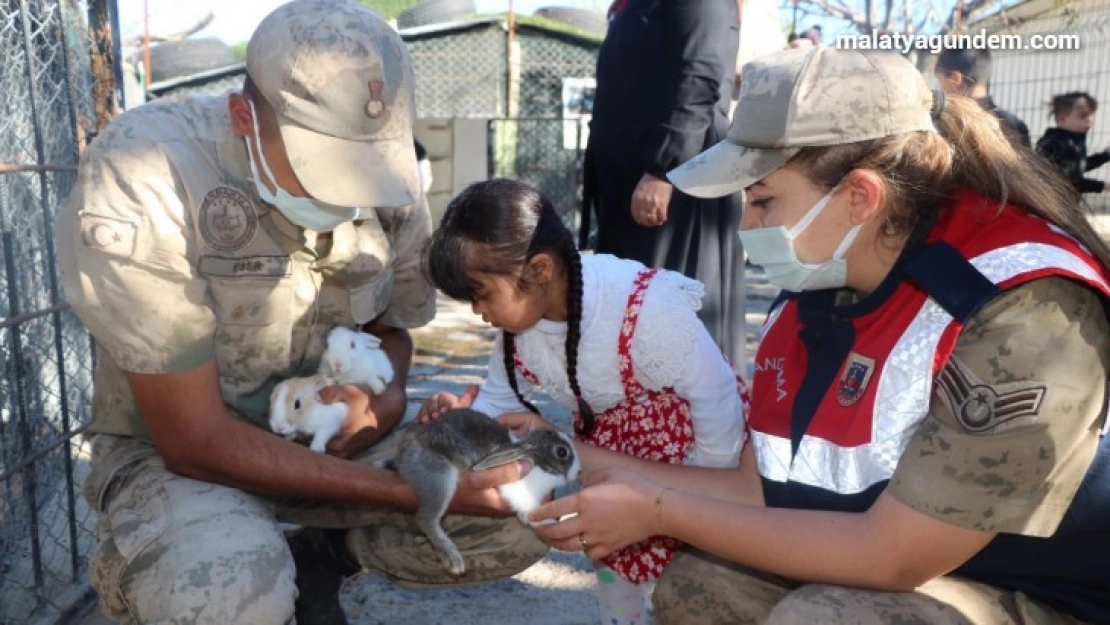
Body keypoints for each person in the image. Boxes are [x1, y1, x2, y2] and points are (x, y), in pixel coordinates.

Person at [514, 48, 1110, 624]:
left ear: (860, 196)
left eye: (763, 200)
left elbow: (891, 555)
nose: (747, 226)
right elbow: (755, 491)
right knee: (700, 586)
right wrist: (561, 455)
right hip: (939, 566)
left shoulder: (1023, 309)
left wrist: (659, 511)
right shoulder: (819, 290)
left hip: (1052, 593)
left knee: (820, 617)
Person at [54, 2, 545, 623]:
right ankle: (208, 562)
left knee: (530, 506)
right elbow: (192, 439)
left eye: (366, 162)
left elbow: (390, 328)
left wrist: (385, 400)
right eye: (327, 166)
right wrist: (405, 490)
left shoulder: (388, 183)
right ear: (244, 119)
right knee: (230, 595)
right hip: (182, 462)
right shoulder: (145, 174)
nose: (351, 192)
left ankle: (324, 557)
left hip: (332, 448)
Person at [418, 178, 750, 625]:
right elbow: (495, 401)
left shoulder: (642, 307)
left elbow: (717, 398)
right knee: (616, 567)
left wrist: (708, 492)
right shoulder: (519, 333)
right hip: (611, 465)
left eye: (480, 293)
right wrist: (453, 428)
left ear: (538, 271)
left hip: (692, 460)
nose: (478, 310)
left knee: (692, 586)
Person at [581, 0, 747, 368]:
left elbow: (700, 71)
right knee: (631, 327)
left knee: (671, 329)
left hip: (676, 186)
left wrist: (664, 169)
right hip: (633, 185)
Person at [934, 46, 1031, 147]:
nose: (939, 89)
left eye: (940, 81)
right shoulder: (1015, 126)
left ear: (955, 79)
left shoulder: (949, 126)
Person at [1037, 91, 1110, 194]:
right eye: (1083, 116)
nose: (1089, 120)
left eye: (1091, 116)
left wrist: (1106, 156)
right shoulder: (1058, 143)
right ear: (1062, 119)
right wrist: (1102, 186)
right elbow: (1069, 181)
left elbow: (1078, 167)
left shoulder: (1072, 141)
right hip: (1051, 203)